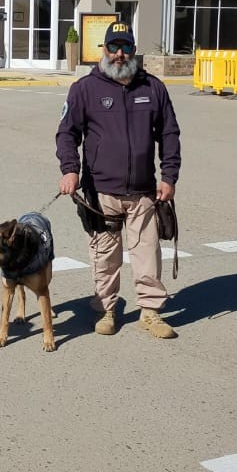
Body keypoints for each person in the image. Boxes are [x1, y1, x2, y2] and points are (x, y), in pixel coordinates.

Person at [55, 21, 181, 340]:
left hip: (143, 190)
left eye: (126, 47)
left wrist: (169, 176)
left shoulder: (153, 88)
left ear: (134, 50)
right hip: (101, 191)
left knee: (147, 252)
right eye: (114, 46)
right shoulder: (85, 89)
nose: (120, 54)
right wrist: (70, 169)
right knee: (104, 254)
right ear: (104, 49)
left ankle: (150, 312)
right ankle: (107, 308)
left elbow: (169, 134)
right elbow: (67, 133)